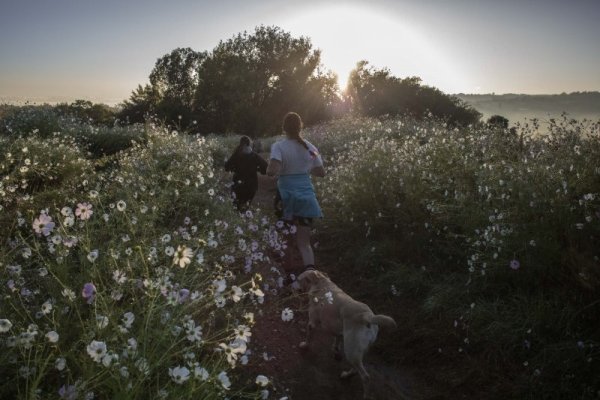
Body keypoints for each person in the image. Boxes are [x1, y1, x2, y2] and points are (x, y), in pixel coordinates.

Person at [267, 112, 325, 273]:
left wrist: (270, 169)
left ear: (284, 128)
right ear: (300, 127)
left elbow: (273, 170)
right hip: (307, 199)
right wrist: (303, 169)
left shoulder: (278, 146)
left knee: (287, 241)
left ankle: (288, 278)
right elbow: (321, 172)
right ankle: (312, 276)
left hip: (286, 199)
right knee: (304, 243)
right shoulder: (311, 148)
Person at [225, 135, 268, 211]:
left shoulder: (236, 154)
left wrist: (233, 168)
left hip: (238, 185)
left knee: (236, 208)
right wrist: (257, 169)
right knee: (245, 208)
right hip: (251, 186)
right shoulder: (255, 156)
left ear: (240, 143)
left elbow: (227, 167)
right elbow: (265, 167)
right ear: (249, 144)